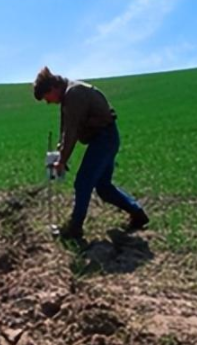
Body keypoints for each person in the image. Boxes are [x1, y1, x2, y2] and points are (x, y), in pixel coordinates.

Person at [33, 66, 149, 240]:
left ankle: (75, 228)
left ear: (52, 88)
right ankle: (138, 214)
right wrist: (60, 149)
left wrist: (62, 160)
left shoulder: (74, 94)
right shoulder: (68, 95)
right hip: (104, 138)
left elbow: (71, 132)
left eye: (46, 98)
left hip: (104, 138)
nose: (48, 102)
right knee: (103, 188)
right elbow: (65, 129)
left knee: (83, 182)